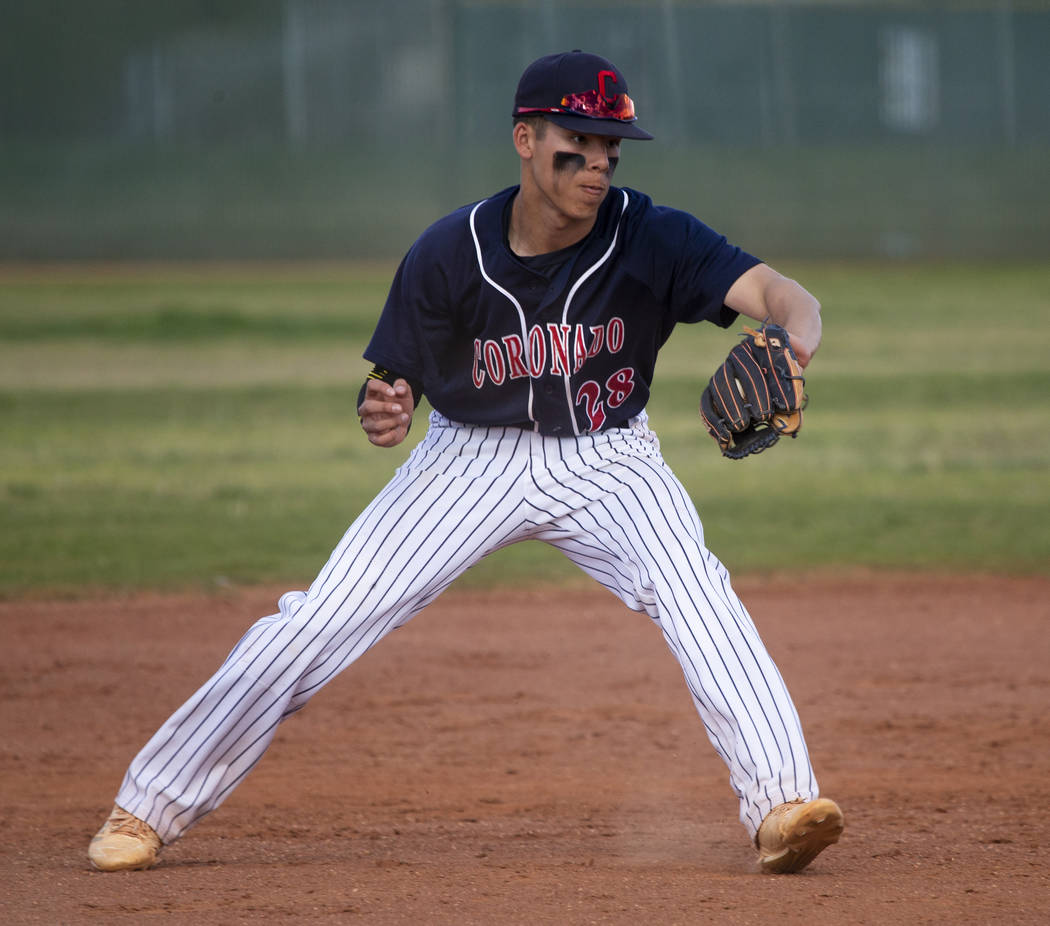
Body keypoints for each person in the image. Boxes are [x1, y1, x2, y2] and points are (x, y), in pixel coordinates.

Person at [88, 50, 842, 875]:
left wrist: (789, 340)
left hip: (610, 459)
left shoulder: (652, 233)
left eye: (610, 145)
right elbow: (390, 386)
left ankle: (782, 806)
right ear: (525, 137)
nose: (598, 161)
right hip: (467, 460)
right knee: (322, 621)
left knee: (700, 597)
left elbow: (787, 296)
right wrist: (386, 408)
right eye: (578, 140)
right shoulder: (449, 251)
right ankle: (146, 806)